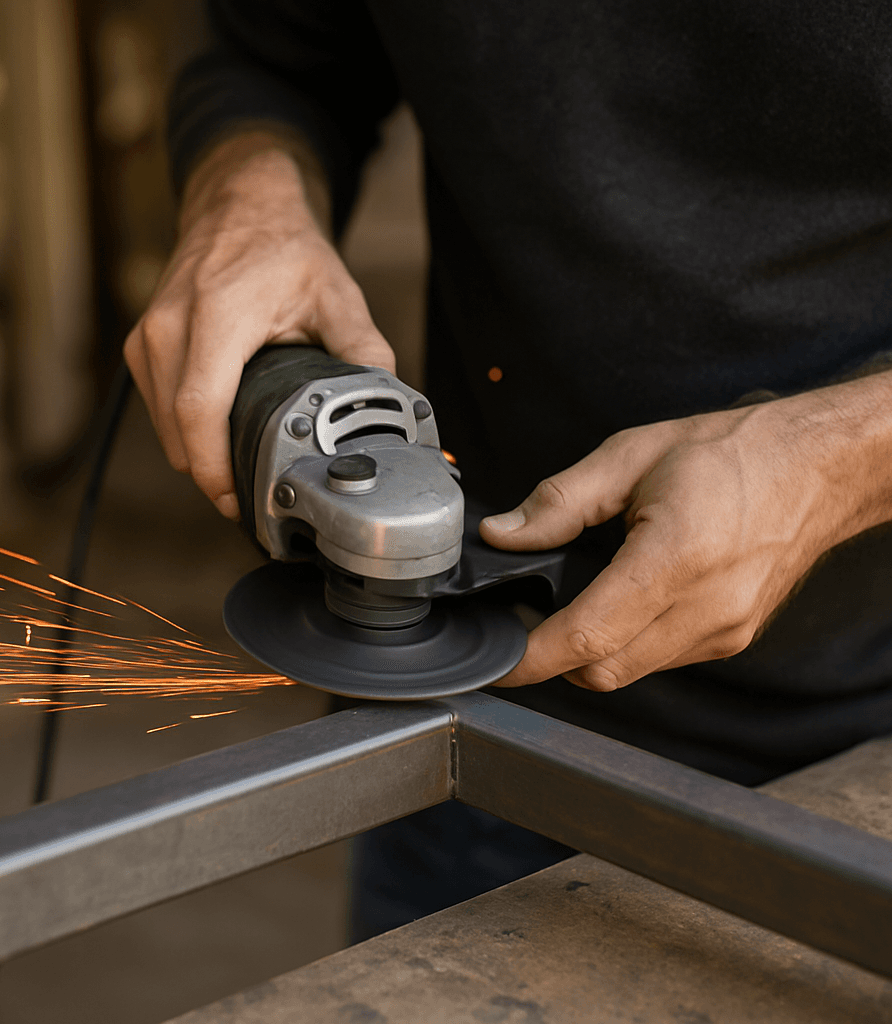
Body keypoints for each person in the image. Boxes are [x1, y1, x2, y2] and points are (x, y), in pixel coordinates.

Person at [125, 2, 892, 938]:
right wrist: (244, 198)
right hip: (471, 741)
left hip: (865, 748)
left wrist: (842, 461)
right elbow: (273, 55)